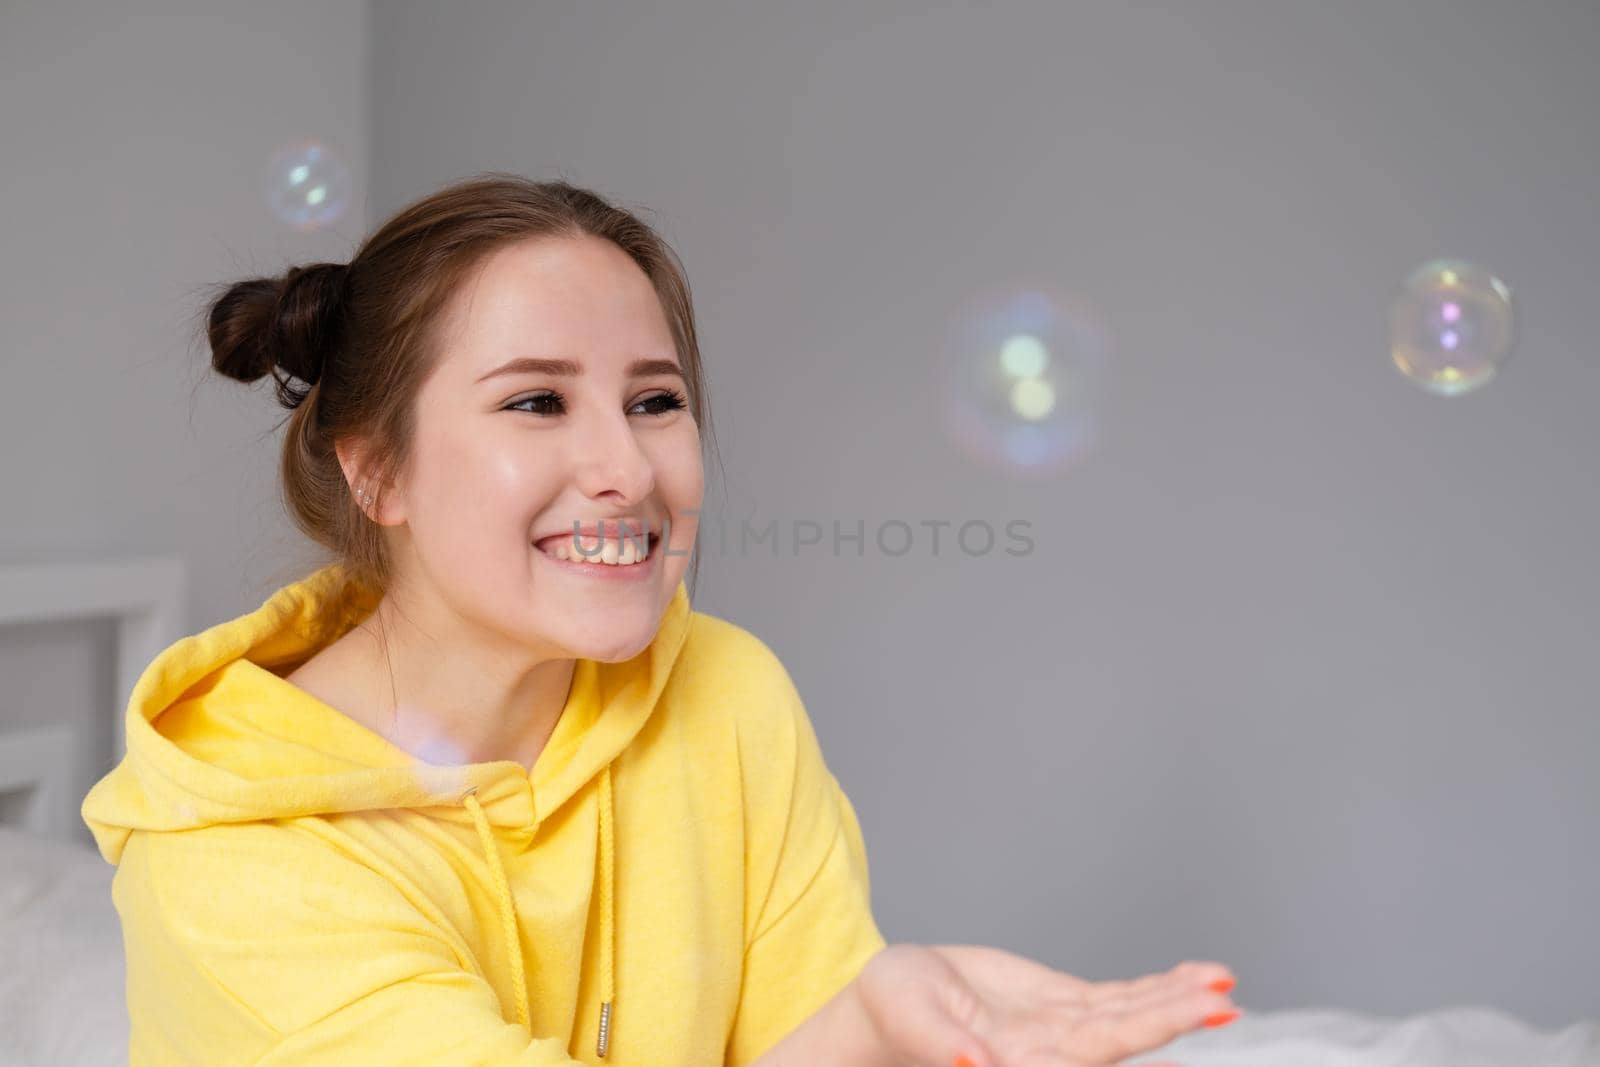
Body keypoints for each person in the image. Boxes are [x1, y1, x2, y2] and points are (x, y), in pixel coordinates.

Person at [81, 173, 1241, 1067]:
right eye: (536, 400)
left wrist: (882, 1021)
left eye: (655, 400)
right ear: (378, 470)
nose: (624, 466)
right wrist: (860, 1029)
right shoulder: (230, 857)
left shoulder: (723, 692)